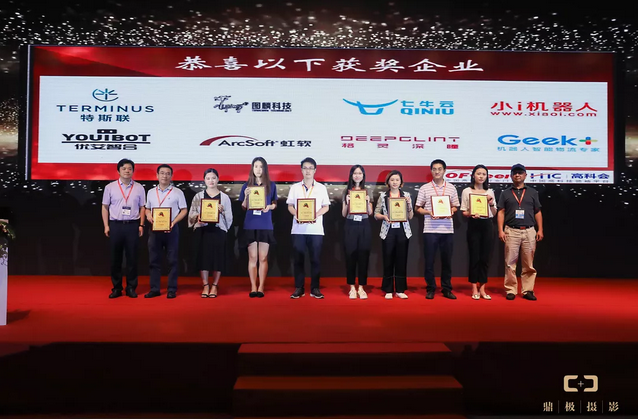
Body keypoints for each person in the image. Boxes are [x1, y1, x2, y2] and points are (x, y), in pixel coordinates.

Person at [497, 163, 544, 301]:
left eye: (520, 173)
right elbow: (501, 212)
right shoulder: (505, 193)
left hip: (529, 231)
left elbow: (537, 211)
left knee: (528, 263)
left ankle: (527, 290)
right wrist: (500, 230)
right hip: (511, 231)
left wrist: (540, 229)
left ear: (525, 175)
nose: (517, 175)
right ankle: (511, 290)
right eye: (515, 173)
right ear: (511, 176)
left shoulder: (532, 192)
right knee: (510, 263)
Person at [415, 159, 460, 300]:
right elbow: (418, 208)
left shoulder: (451, 188)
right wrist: (429, 212)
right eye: (434, 169)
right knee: (429, 261)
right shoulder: (424, 188)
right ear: (431, 171)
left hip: (447, 230)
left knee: (447, 261)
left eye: (440, 169)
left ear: (444, 171)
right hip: (430, 230)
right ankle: (431, 288)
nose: (437, 171)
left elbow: (455, 206)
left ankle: (447, 288)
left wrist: (451, 211)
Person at [101, 158, 146, 299]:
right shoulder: (110, 187)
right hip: (116, 225)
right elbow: (105, 207)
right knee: (116, 258)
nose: (127, 171)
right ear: (118, 171)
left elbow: (142, 207)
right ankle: (117, 288)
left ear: (133, 171)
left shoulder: (139, 187)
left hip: (132, 225)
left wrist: (141, 224)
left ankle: (131, 287)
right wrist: (106, 225)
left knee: (132, 258)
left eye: (130, 169)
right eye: (124, 168)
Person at [286, 157, 330, 299]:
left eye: (310, 168)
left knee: (315, 260)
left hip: (316, 229)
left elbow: (326, 207)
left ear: (315, 170)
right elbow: (290, 206)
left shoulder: (321, 188)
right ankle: (299, 288)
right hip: (298, 229)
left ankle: (315, 288)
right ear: (301, 170)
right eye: (305, 168)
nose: (308, 171)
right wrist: (297, 214)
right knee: (298, 259)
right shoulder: (294, 188)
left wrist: (315, 215)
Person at [144, 164, 188, 299]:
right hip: (154, 230)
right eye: (162, 173)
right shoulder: (151, 192)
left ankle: (171, 289)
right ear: (157, 175)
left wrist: (174, 222)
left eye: (168, 173)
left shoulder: (177, 192)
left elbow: (184, 210)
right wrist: (148, 215)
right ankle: (155, 289)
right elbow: (147, 208)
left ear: (171, 176)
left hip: (172, 229)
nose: (165, 176)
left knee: (172, 260)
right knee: (154, 260)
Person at [188, 168, 233, 298]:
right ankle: (205, 285)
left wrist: (222, 211)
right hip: (203, 230)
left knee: (218, 259)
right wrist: (198, 216)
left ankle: (215, 285)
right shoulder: (198, 196)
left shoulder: (224, 197)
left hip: (218, 231)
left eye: (213, 178)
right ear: (204, 180)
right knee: (204, 259)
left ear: (218, 179)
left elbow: (230, 218)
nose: (211, 181)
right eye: (208, 178)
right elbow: (191, 215)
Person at [239, 157, 277, 298]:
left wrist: (270, 207)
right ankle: (253, 286)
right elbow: (243, 207)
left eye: (261, 166)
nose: (258, 169)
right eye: (256, 166)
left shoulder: (271, 185)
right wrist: (246, 197)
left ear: (265, 169)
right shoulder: (246, 186)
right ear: (252, 168)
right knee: (252, 257)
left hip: (265, 224)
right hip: (251, 224)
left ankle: (261, 287)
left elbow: (274, 203)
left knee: (263, 257)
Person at [374, 170, 414, 299]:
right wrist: (384, 217)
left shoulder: (406, 195)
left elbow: (411, 216)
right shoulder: (383, 196)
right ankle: (388, 289)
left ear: (401, 182)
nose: (395, 182)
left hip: (403, 231)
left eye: (397, 180)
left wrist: (409, 204)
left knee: (401, 260)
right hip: (388, 231)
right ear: (388, 182)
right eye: (392, 180)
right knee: (388, 260)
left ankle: (400, 289)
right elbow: (376, 214)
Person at [460, 165, 498, 300]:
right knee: (474, 256)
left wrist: (491, 203)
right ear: (473, 175)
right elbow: (464, 211)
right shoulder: (466, 191)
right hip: (474, 224)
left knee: (485, 257)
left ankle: (482, 288)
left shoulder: (490, 192)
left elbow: (494, 213)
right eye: (478, 173)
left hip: (487, 224)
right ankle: (474, 287)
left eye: (484, 174)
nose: (481, 176)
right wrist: (471, 213)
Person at [341, 165, 373, 299]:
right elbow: (343, 214)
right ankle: (352, 287)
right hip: (351, 225)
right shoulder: (346, 191)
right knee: (350, 256)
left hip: (364, 225)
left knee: (363, 256)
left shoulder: (368, 191)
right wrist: (347, 202)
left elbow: (370, 212)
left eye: (360, 173)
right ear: (351, 175)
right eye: (355, 173)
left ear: (363, 175)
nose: (357, 175)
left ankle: (361, 287)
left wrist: (367, 202)